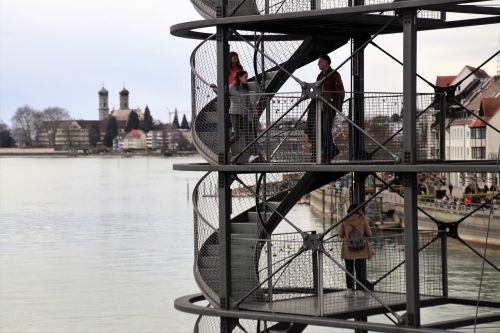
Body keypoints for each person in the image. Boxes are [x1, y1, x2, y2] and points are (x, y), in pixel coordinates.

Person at [306, 54, 345, 163]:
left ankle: (327, 154)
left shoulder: (334, 75)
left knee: (325, 131)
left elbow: (340, 92)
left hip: (328, 108)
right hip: (319, 107)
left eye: (320, 61)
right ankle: (326, 153)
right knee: (317, 131)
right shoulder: (320, 75)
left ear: (325, 62)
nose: (318, 63)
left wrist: (336, 106)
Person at [339, 204, 374, 298]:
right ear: (359, 211)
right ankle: (360, 291)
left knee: (349, 270)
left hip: (348, 249)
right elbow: (369, 234)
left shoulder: (345, 220)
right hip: (361, 249)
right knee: (360, 270)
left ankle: (349, 290)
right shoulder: (363, 219)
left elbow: (341, 234)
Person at [228, 70, 259, 163]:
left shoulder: (246, 88)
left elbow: (248, 102)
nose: (247, 78)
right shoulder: (232, 87)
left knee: (248, 133)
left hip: (244, 113)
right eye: (245, 77)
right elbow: (221, 93)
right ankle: (225, 146)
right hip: (235, 113)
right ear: (239, 77)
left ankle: (252, 155)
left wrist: (253, 110)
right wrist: (214, 87)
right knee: (237, 135)